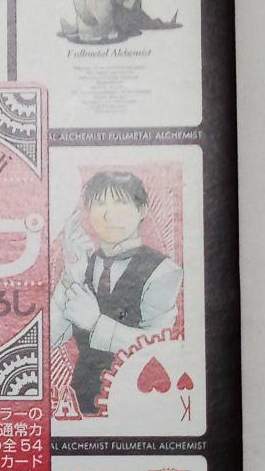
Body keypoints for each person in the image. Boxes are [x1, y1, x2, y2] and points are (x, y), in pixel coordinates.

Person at [51, 170, 183, 415]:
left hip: (136, 399)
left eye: (121, 202)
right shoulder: (82, 266)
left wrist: (96, 323)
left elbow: (159, 348)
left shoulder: (163, 272)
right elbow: (48, 341)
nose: (109, 215)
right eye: (99, 204)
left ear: (142, 210)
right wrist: (71, 275)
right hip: (82, 399)